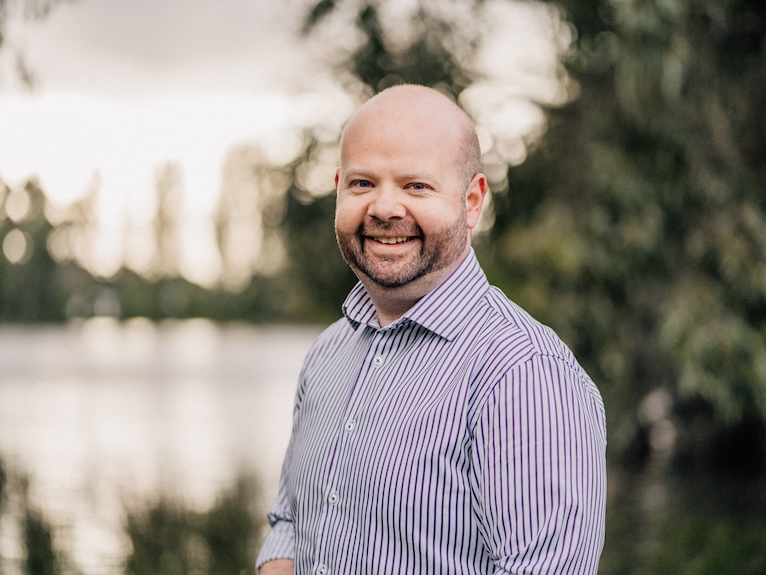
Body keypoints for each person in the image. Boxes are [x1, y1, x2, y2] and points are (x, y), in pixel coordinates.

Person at [256, 84, 607, 574]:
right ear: (337, 188)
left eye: (416, 186)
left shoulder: (524, 374)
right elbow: (290, 523)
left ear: (472, 201)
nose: (384, 208)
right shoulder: (327, 354)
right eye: (362, 184)